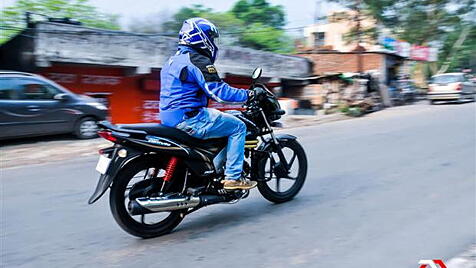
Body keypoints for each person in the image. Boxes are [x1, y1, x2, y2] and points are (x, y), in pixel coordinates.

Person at [159, 18, 257, 190]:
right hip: (190, 119)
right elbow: (218, 92)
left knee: (229, 117)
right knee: (238, 127)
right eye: (211, 37)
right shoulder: (196, 60)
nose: (212, 42)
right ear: (201, 37)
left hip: (168, 119)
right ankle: (233, 177)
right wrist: (248, 94)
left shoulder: (172, 61)